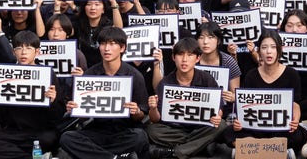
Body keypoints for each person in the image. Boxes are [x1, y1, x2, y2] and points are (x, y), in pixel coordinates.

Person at [61, 26, 150, 159]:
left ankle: (97, 155)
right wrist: (76, 109)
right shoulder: (90, 75)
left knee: (140, 137)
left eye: (112, 44)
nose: (106, 48)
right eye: (103, 44)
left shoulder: (134, 75)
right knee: (67, 138)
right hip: (97, 130)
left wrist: (136, 111)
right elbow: (84, 117)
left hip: (125, 131)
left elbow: (141, 115)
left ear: (122, 48)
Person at [147, 36, 227, 159]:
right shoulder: (166, 82)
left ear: (198, 58)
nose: (184, 60)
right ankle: (199, 146)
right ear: (173, 57)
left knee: (221, 124)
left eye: (190, 55)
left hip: (201, 127)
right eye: (180, 55)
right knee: (152, 130)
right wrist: (153, 108)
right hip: (174, 130)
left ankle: (177, 152)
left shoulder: (206, 78)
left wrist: (218, 116)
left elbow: (219, 107)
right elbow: (156, 119)